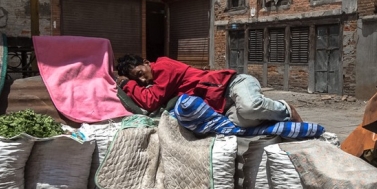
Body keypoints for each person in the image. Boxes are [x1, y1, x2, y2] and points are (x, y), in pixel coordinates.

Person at [116, 55, 301, 127]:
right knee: (242, 122)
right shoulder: (157, 83)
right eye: (138, 80)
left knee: (250, 108)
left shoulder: (163, 66)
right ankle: (274, 115)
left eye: (140, 73)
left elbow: (150, 101)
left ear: (146, 63)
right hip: (225, 105)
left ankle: (285, 109)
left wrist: (127, 85)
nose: (143, 80)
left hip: (233, 84)